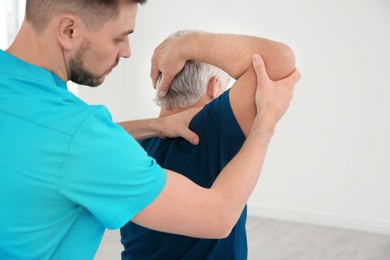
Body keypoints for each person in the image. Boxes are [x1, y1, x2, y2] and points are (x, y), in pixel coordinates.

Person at [0, 1, 300, 259]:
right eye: (120, 37)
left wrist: (156, 125)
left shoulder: (44, 116)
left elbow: (50, 145)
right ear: (69, 31)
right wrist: (267, 120)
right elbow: (218, 216)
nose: (128, 52)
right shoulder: (82, 138)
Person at [120, 30, 293, 259]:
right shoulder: (212, 127)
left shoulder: (129, 145)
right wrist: (187, 44)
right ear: (214, 87)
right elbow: (280, 59)